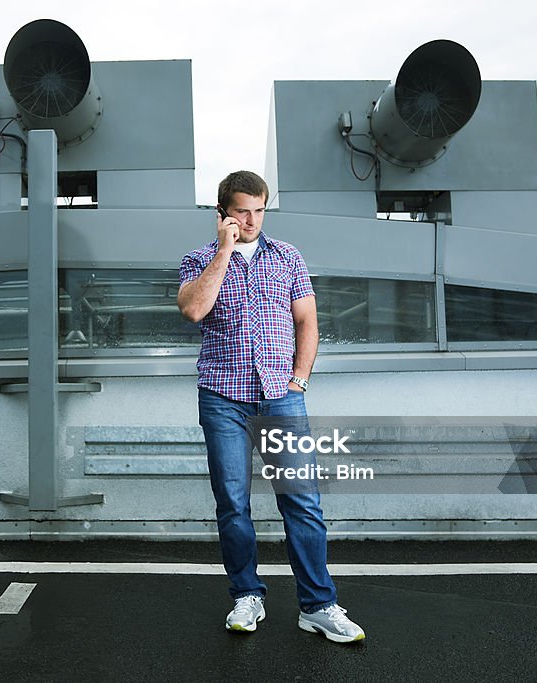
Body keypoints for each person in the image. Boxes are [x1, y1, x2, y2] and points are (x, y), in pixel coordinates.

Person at [177, 170, 364, 643]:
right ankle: (246, 596)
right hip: (222, 398)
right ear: (222, 213)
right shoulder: (198, 259)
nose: (253, 219)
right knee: (233, 504)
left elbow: (308, 323)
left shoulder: (287, 257)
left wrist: (298, 381)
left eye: (259, 210)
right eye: (243, 210)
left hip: (282, 396)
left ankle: (318, 605)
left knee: (302, 502)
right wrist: (225, 249)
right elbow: (194, 310)